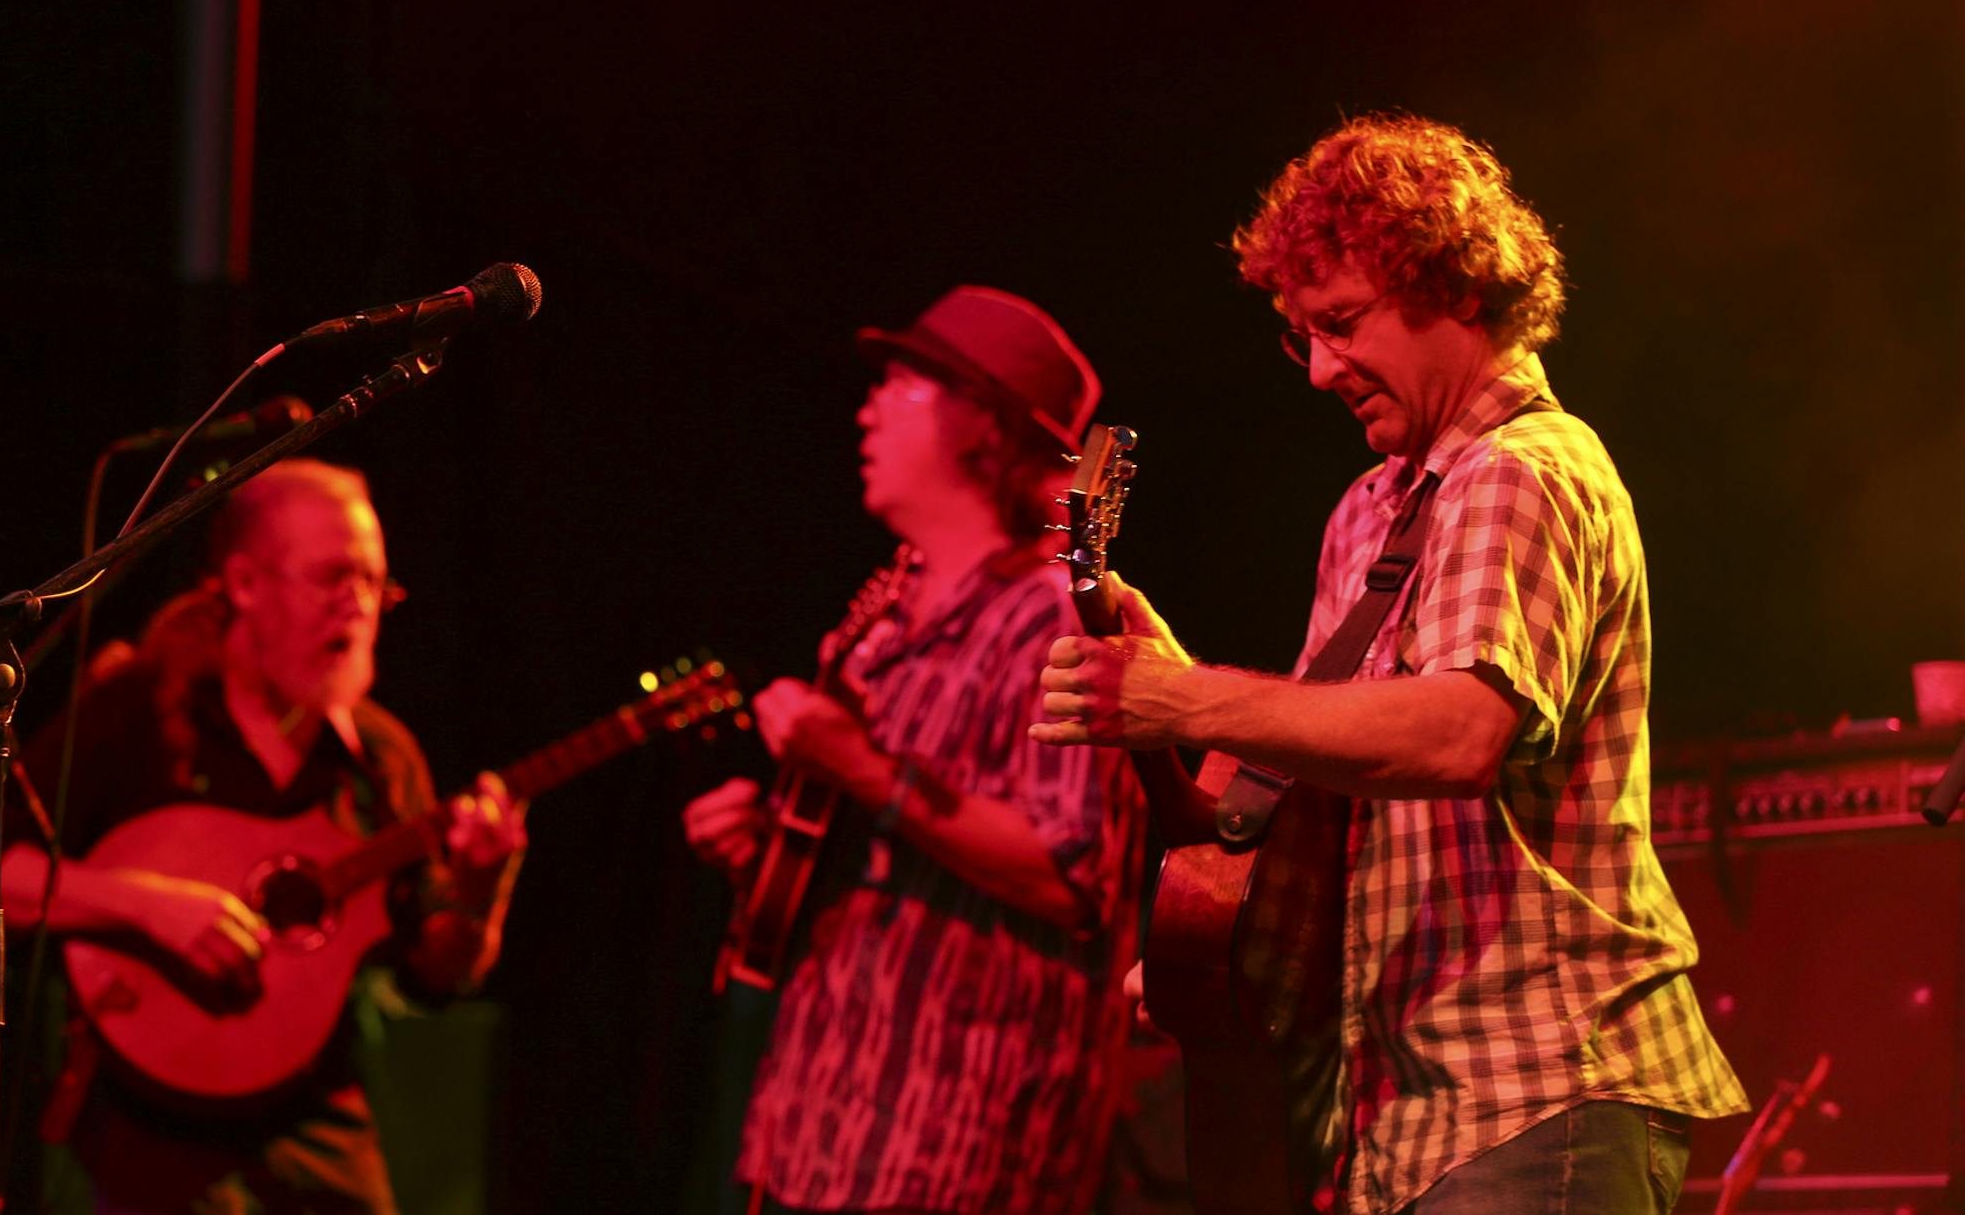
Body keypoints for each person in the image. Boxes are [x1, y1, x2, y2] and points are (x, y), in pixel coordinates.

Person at [1031, 114, 1747, 1215]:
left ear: (1455, 287)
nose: (1319, 368)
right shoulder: (1371, 508)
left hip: (1542, 1087)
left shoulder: (1523, 471)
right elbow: (1325, 792)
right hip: (1406, 1116)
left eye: (1343, 322)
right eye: (1298, 335)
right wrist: (1213, 951)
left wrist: (1182, 696)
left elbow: (1460, 732)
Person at [684, 287, 1145, 1215]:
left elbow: (1073, 875)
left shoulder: (1056, 619)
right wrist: (767, 852)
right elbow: (867, 854)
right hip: (817, 1121)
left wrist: (857, 767)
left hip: (960, 1130)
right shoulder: (879, 623)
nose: (865, 409)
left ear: (978, 424)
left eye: (897, 388)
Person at [0, 458, 525, 1215]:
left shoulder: (381, 757)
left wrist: (482, 890)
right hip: (143, 1128)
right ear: (244, 584)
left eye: (373, 583)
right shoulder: (135, 711)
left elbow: (437, 978)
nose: (358, 606)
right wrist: (146, 906)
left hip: (315, 1124)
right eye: (333, 578)